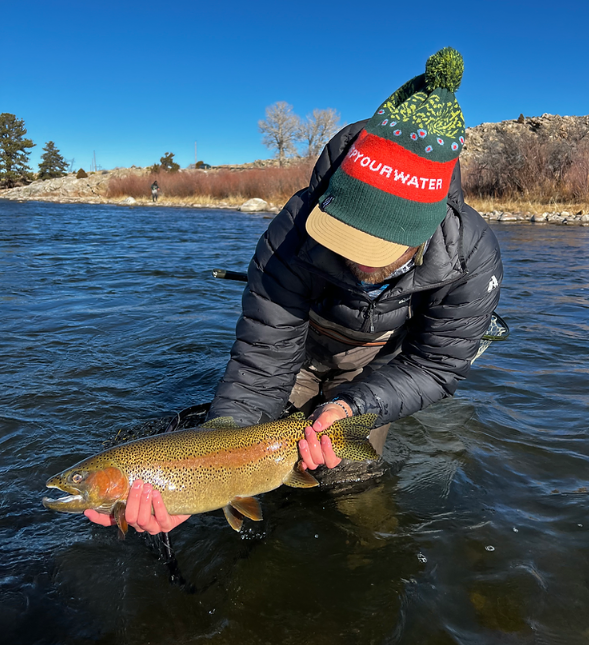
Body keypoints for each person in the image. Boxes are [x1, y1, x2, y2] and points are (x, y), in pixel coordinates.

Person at [86, 47, 503, 534]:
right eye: (343, 234)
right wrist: (207, 478)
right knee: (255, 457)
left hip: (383, 363)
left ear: (425, 229)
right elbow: (260, 362)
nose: (357, 259)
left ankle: (372, 551)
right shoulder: (292, 231)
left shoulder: (472, 257)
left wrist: (352, 406)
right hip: (299, 350)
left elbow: (436, 364)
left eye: (378, 246)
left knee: (352, 485)